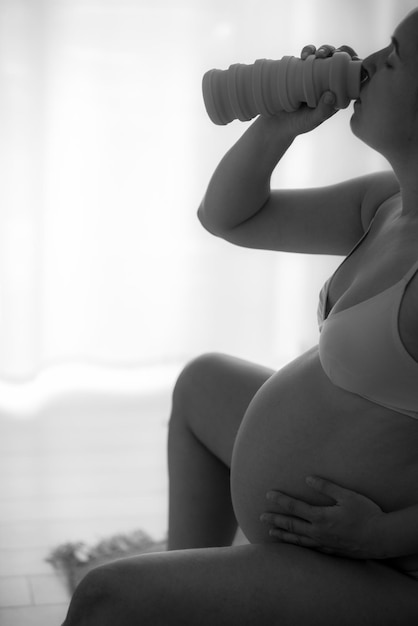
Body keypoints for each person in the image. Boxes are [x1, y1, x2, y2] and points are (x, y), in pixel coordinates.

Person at [62, 8, 418, 625]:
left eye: (397, 56)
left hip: (385, 566)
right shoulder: (387, 203)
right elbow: (229, 217)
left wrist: (384, 537)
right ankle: (186, 581)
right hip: (326, 530)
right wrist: (279, 127)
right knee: (203, 382)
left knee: (106, 597)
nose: (373, 60)